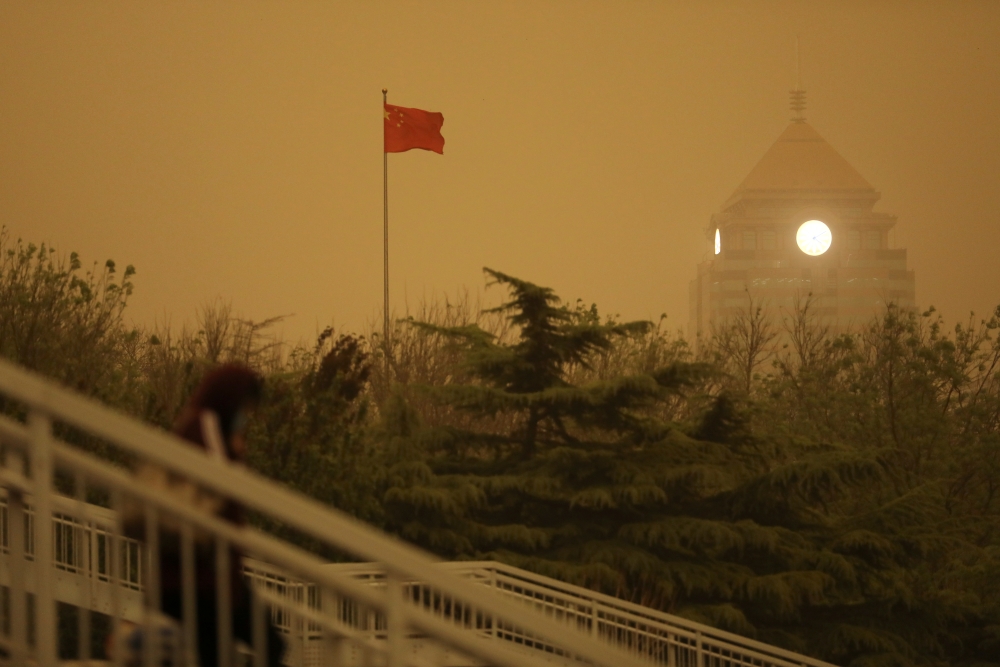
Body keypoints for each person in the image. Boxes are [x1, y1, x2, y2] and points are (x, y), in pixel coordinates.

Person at [125, 363, 285, 667]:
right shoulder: (205, 423)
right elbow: (222, 483)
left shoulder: (199, 423)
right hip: (199, 580)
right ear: (229, 399)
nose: (244, 417)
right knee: (266, 645)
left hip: (207, 578)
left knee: (249, 649)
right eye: (244, 408)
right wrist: (236, 455)